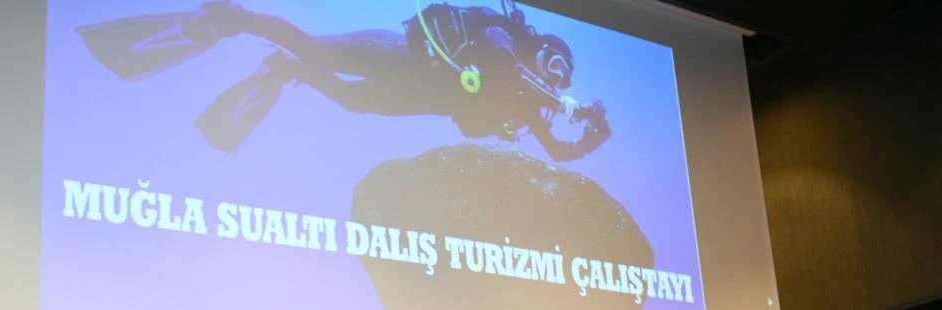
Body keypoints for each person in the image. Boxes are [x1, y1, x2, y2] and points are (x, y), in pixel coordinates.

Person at [78, 0, 609, 159]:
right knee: (317, 47)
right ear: (540, 50)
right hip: (397, 54)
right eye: (552, 64)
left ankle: (286, 69)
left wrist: (590, 139)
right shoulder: (503, 37)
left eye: (561, 76)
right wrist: (568, 105)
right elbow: (502, 62)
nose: (554, 77)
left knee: (350, 100)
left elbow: (557, 153)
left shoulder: (528, 101)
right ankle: (234, 17)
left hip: (415, 96)